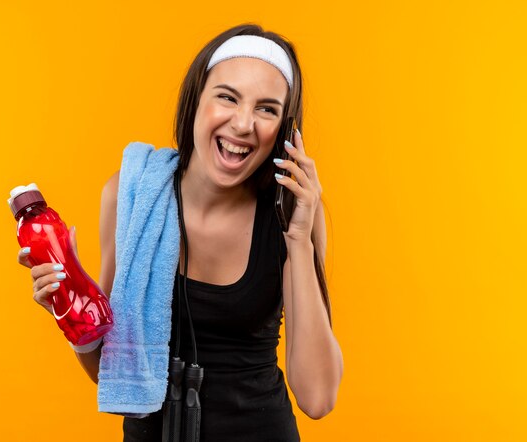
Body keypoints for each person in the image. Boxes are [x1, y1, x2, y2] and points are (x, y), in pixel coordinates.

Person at [18, 23, 343, 441]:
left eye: (267, 109)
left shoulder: (293, 214)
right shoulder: (131, 196)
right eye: (227, 97)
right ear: (196, 101)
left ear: (285, 131)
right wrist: (70, 307)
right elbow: (113, 374)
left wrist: (299, 239)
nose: (244, 124)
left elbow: (317, 398)